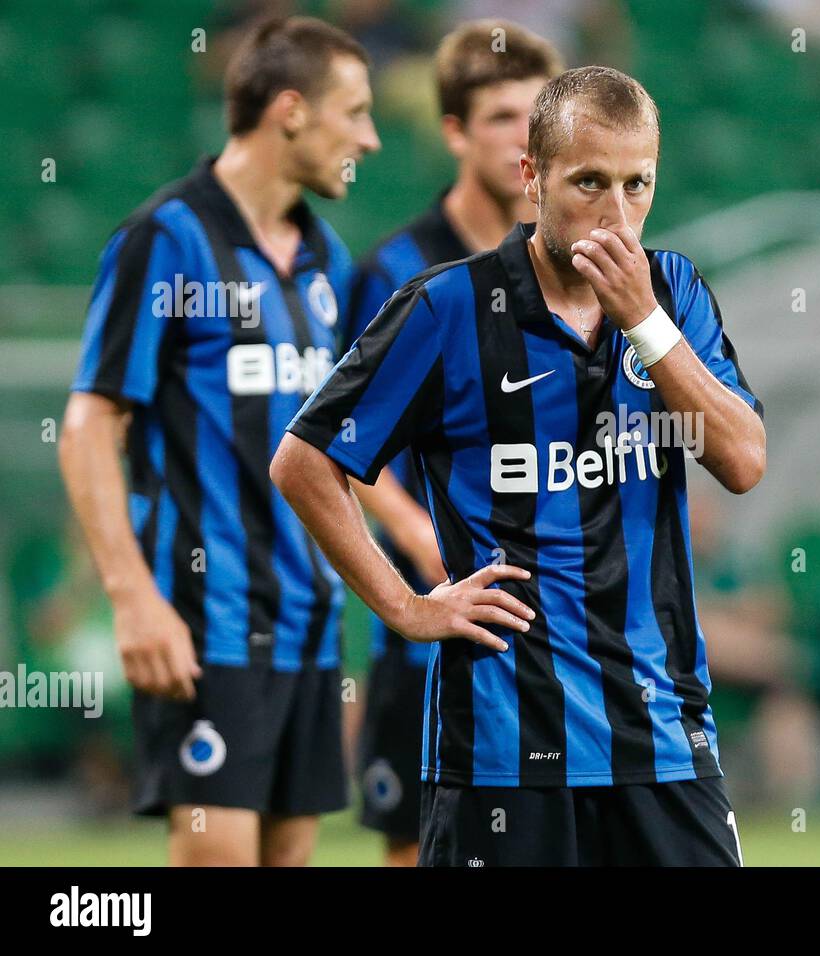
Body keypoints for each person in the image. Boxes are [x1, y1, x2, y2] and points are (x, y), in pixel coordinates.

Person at [272, 65, 765, 866]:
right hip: (503, 749)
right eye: (589, 182)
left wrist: (644, 323)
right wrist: (406, 607)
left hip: (664, 736)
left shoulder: (673, 294)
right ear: (531, 178)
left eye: (637, 184)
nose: (616, 214)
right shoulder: (447, 308)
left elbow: (742, 460)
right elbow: (303, 462)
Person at [59, 16, 379, 866]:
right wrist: (130, 596)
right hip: (206, 617)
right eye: (354, 112)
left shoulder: (325, 260)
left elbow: (331, 447)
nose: (371, 139)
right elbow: (91, 421)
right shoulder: (167, 239)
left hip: (309, 623)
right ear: (290, 111)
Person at [346, 18, 562, 867]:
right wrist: (416, 539)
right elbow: (338, 446)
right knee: (418, 843)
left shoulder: (567, 267)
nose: (523, 140)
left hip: (549, 601)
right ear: (454, 132)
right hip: (434, 601)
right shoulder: (399, 267)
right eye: (504, 117)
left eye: (537, 119)